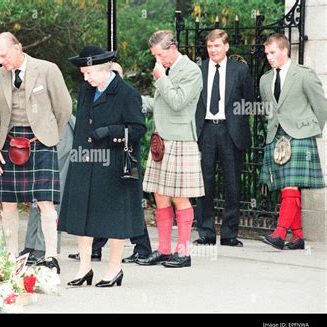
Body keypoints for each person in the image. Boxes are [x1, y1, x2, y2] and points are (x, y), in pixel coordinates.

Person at [58, 45, 147, 287]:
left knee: (114, 219)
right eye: (84, 74)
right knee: (82, 215)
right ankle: (85, 268)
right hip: (85, 161)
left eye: (89, 73)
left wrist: (111, 131)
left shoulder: (127, 94)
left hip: (114, 164)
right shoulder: (87, 90)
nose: (85, 78)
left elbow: (138, 130)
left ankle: (114, 269)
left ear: (104, 70)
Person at [0, 32, 72, 273]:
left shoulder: (47, 69)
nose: (1, 61)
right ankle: (11, 257)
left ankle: (51, 257)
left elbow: (64, 106)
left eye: (3, 55)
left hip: (40, 142)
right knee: (8, 202)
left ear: (18, 48)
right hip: (9, 143)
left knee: (45, 202)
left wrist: (50, 135)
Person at [136, 29, 204, 268]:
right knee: (159, 195)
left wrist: (161, 77)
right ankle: (164, 249)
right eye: (154, 55)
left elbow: (177, 102)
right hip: (161, 140)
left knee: (179, 197)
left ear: (172, 48)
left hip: (181, 139)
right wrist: (134, 101)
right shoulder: (166, 69)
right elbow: (161, 103)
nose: (157, 60)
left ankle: (183, 252)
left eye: (159, 54)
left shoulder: (192, 71)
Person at [0, 115, 76, 265]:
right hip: (25, 147)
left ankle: (48, 254)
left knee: (47, 200)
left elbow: (62, 107)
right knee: (31, 203)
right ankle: (24, 250)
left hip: (53, 141)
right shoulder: (4, 129)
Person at [259, 34, 326, 250]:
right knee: (287, 186)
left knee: (290, 184)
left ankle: (279, 233)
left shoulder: (304, 75)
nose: (269, 57)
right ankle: (297, 237)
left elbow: (321, 106)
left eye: (273, 52)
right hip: (276, 136)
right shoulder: (265, 80)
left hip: (299, 136)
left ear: (285, 51)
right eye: (267, 53)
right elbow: (269, 110)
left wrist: (310, 129)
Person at [193, 29, 255, 247]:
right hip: (206, 131)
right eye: (210, 46)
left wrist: (238, 123)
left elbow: (248, 100)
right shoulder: (198, 70)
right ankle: (206, 233)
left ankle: (229, 234)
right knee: (204, 183)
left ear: (226, 47)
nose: (213, 50)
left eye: (217, 46)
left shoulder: (240, 70)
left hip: (230, 132)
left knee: (232, 184)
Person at [21, 115, 76, 264]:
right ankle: (31, 245)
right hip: (40, 136)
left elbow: (63, 106)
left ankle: (44, 248)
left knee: (50, 196)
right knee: (36, 194)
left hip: (59, 136)